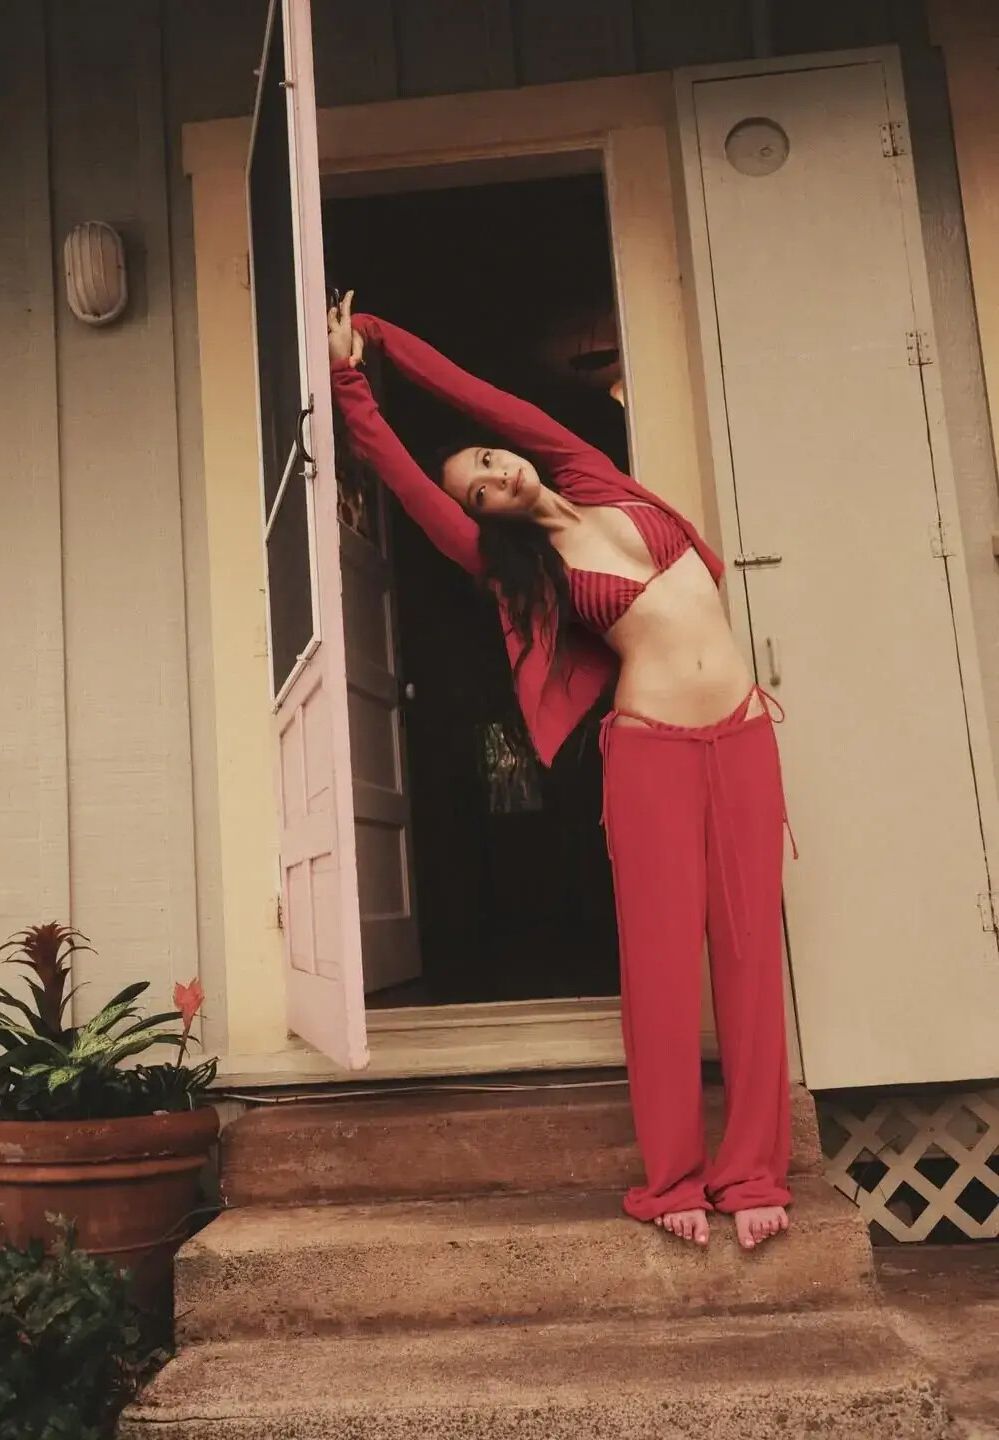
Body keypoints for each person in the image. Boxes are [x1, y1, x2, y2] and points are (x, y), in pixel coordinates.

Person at [327, 291, 795, 1251]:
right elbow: (407, 484)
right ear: (483, 519)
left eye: (487, 460)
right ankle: (673, 1179)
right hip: (654, 752)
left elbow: (479, 395)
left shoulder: (594, 473)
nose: (494, 474)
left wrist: (378, 338)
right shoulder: (520, 566)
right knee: (662, 967)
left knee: (751, 956)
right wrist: (348, 384)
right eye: (478, 489)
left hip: (746, 736)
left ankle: (752, 1172)